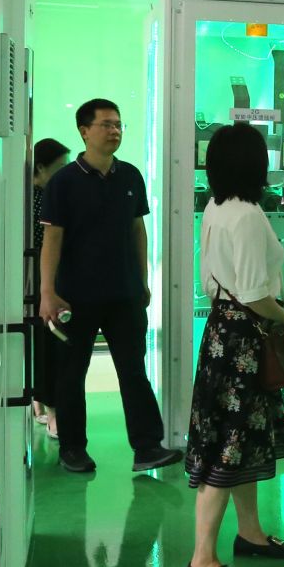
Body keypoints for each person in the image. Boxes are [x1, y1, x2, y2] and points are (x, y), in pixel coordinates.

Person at [182, 123, 284, 567]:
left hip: (223, 330)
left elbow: (217, 281)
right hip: (246, 336)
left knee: (237, 439)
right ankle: (202, 559)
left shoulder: (217, 207)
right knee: (230, 442)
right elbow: (257, 294)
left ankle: (250, 533)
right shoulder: (249, 216)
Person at [40, 98, 182, 475]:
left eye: (118, 124)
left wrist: (143, 281)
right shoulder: (63, 182)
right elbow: (52, 239)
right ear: (84, 131)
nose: (114, 131)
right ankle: (73, 448)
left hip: (124, 294)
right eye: (106, 125)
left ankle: (147, 446)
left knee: (133, 370)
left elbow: (138, 230)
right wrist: (47, 292)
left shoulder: (130, 176)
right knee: (72, 374)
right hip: (75, 297)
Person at [30, 137, 72, 435]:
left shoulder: (36, 197)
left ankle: (40, 405)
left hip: (41, 283)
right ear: (41, 169)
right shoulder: (43, 201)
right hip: (46, 283)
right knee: (49, 348)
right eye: (59, 167)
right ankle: (52, 412)